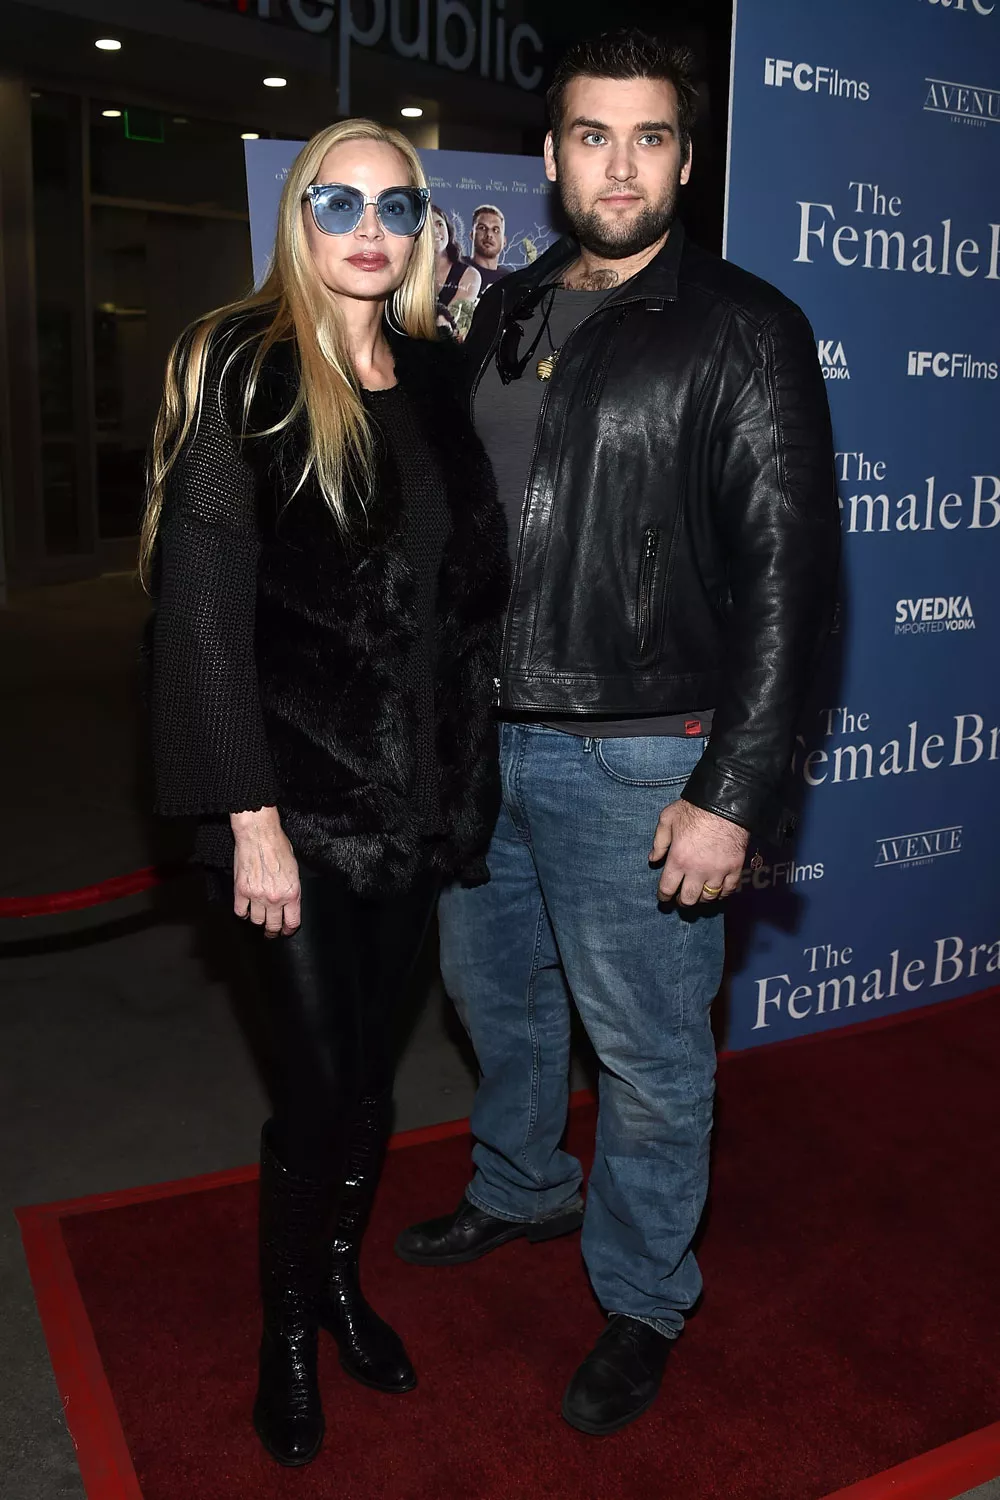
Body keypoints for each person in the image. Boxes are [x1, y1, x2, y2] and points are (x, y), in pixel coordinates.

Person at [396, 29, 840, 1437]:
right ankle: (523, 1187)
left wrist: (736, 793)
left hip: (644, 754)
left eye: (651, 138)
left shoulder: (744, 324)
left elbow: (795, 578)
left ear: (687, 159)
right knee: (497, 1001)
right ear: (549, 156)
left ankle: (645, 1292)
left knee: (647, 1053)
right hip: (489, 744)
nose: (622, 165)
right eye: (594, 136)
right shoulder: (504, 311)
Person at [142, 119, 508, 1467]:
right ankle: (288, 1328)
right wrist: (249, 821)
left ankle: (343, 1285)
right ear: (299, 216)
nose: (369, 225)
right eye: (338, 200)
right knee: (320, 1085)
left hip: (412, 806)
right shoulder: (241, 363)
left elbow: (457, 597)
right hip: (291, 810)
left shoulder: (428, 370)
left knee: (370, 1090)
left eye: (395, 205)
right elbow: (198, 616)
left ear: (421, 229)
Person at [432, 203, 482, 317]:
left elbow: (452, 325)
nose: (435, 231)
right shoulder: (406, 272)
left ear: (448, 230)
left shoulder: (470, 276)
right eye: (427, 226)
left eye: (439, 224)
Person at [469, 204, 512, 291]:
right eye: (482, 228)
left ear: (504, 241)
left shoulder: (511, 281)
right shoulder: (455, 267)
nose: (489, 235)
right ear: (472, 235)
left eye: (496, 230)